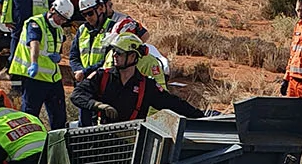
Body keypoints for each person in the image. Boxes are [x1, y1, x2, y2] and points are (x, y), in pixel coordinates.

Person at [71, 31, 204, 126]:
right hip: (99, 139)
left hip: (130, 142)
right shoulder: (101, 77)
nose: (114, 55)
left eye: (120, 53)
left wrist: (200, 116)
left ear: (133, 56)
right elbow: (77, 95)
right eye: (114, 51)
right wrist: (98, 106)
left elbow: (173, 103)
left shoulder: (146, 86)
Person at [7, 0, 76, 130]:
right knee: (30, 116)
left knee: (59, 117)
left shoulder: (58, 30)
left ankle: (58, 141)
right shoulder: (35, 23)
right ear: (52, 10)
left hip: (53, 78)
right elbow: (34, 43)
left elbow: (55, 48)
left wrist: (59, 57)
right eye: (60, 17)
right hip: (35, 77)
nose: (61, 21)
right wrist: (34, 63)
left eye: (64, 20)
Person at [70, 0, 152, 83]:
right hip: (84, 80)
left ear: (101, 9)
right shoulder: (82, 30)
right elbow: (74, 55)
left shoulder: (115, 29)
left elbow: (111, 57)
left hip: (104, 79)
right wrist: (79, 71)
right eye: (84, 15)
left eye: (90, 13)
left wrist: (85, 72)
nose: (87, 17)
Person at [101, 17, 169, 87]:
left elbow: (161, 89)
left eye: (120, 51)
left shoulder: (149, 63)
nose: (115, 54)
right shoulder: (111, 54)